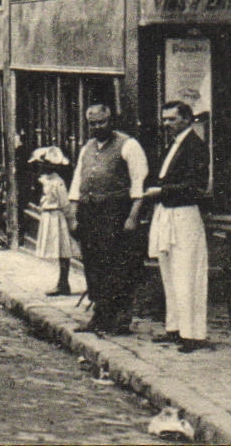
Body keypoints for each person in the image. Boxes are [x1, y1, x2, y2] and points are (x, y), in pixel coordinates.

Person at [134, 100, 211, 351]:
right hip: (166, 214)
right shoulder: (172, 145)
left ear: (187, 119)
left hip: (185, 216)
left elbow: (195, 187)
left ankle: (192, 334)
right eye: (165, 119)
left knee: (186, 274)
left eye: (172, 119)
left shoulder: (196, 147)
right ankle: (175, 327)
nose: (167, 124)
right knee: (168, 273)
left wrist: (161, 191)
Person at [67, 104, 149, 336]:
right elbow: (76, 183)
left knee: (117, 266)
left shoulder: (129, 145)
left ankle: (120, 318)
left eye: (101, 122)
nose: (97, 127)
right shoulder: (87, 148)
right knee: (93, 265)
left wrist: (133, 216)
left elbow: (138, 184)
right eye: (92, 123)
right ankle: (100, 315)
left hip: (116, 212)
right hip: (90, 213)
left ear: (111, 121)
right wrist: (73, 214)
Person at [29, 146, 79, 297]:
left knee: (63, 249)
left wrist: (71, 220)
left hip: (58, 217)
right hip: (48, 216)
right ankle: (62, 282)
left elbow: (64, 203)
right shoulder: (45, 180)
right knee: (57, 250)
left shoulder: (58, 182)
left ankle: (63, 283)